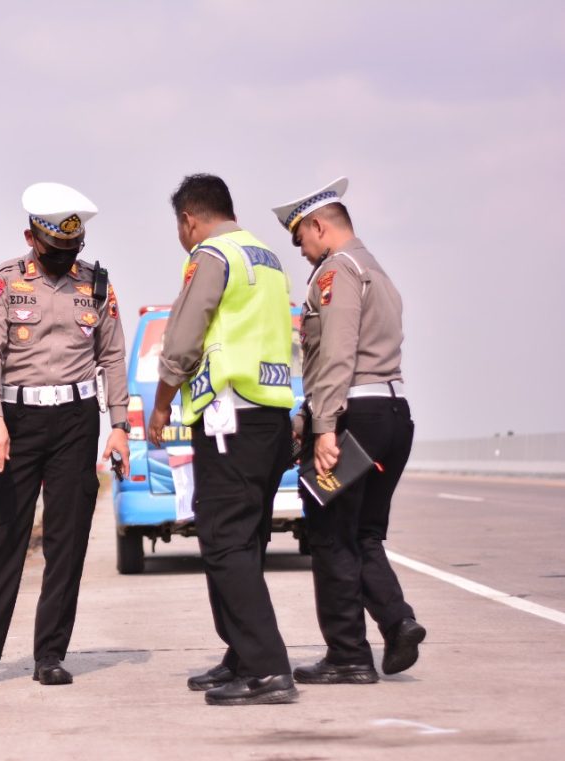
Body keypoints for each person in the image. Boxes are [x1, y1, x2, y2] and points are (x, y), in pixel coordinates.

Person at [0, 182, 130, 688]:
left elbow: (111, 357)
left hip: (76, 421)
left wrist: (120, 425)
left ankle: (50, 655)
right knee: (2, 539)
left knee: (67, 541)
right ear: (31, 237)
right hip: (15, 422)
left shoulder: (97, 285)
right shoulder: (3, 281)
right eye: (55, 249)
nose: (65, 257)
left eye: (72, 249)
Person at [146, 173, 298, 706]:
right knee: (247, 539)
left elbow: (185, 336)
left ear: (189, 219)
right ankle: (239, 653)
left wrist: (162, 401)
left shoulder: (212, 255)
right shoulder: (268, 257)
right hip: (272, 416)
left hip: (231, 416)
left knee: (224, 539)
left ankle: (267, 668)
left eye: (180, 226)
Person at [272, 177, 425, 684]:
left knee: (331, 534)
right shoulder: (376, 270)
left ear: (319, 225)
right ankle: (398, 621)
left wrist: (323, 428)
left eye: (300, 239)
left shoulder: (336, 272)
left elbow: (335, 355)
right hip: (391, 416)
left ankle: (347, 656)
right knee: (364, 533)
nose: (301, 251)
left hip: (351, 419)